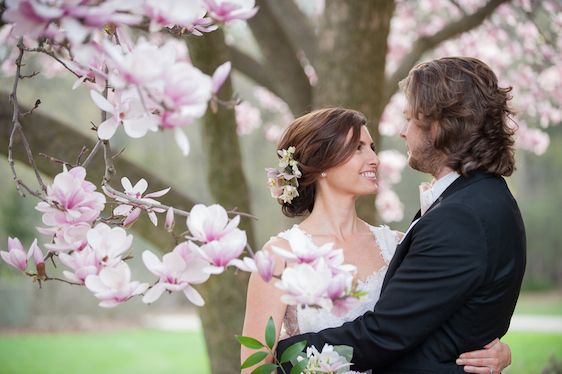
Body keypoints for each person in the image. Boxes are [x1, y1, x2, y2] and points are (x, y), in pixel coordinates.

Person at [275, 57, 526, 373]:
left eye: (410, 119)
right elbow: (440, 314)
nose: (402, 132)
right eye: (357, 148)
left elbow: (385, 334)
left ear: (440, 125)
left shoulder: (461, 216)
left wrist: (282, 355)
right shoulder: (476, 199)